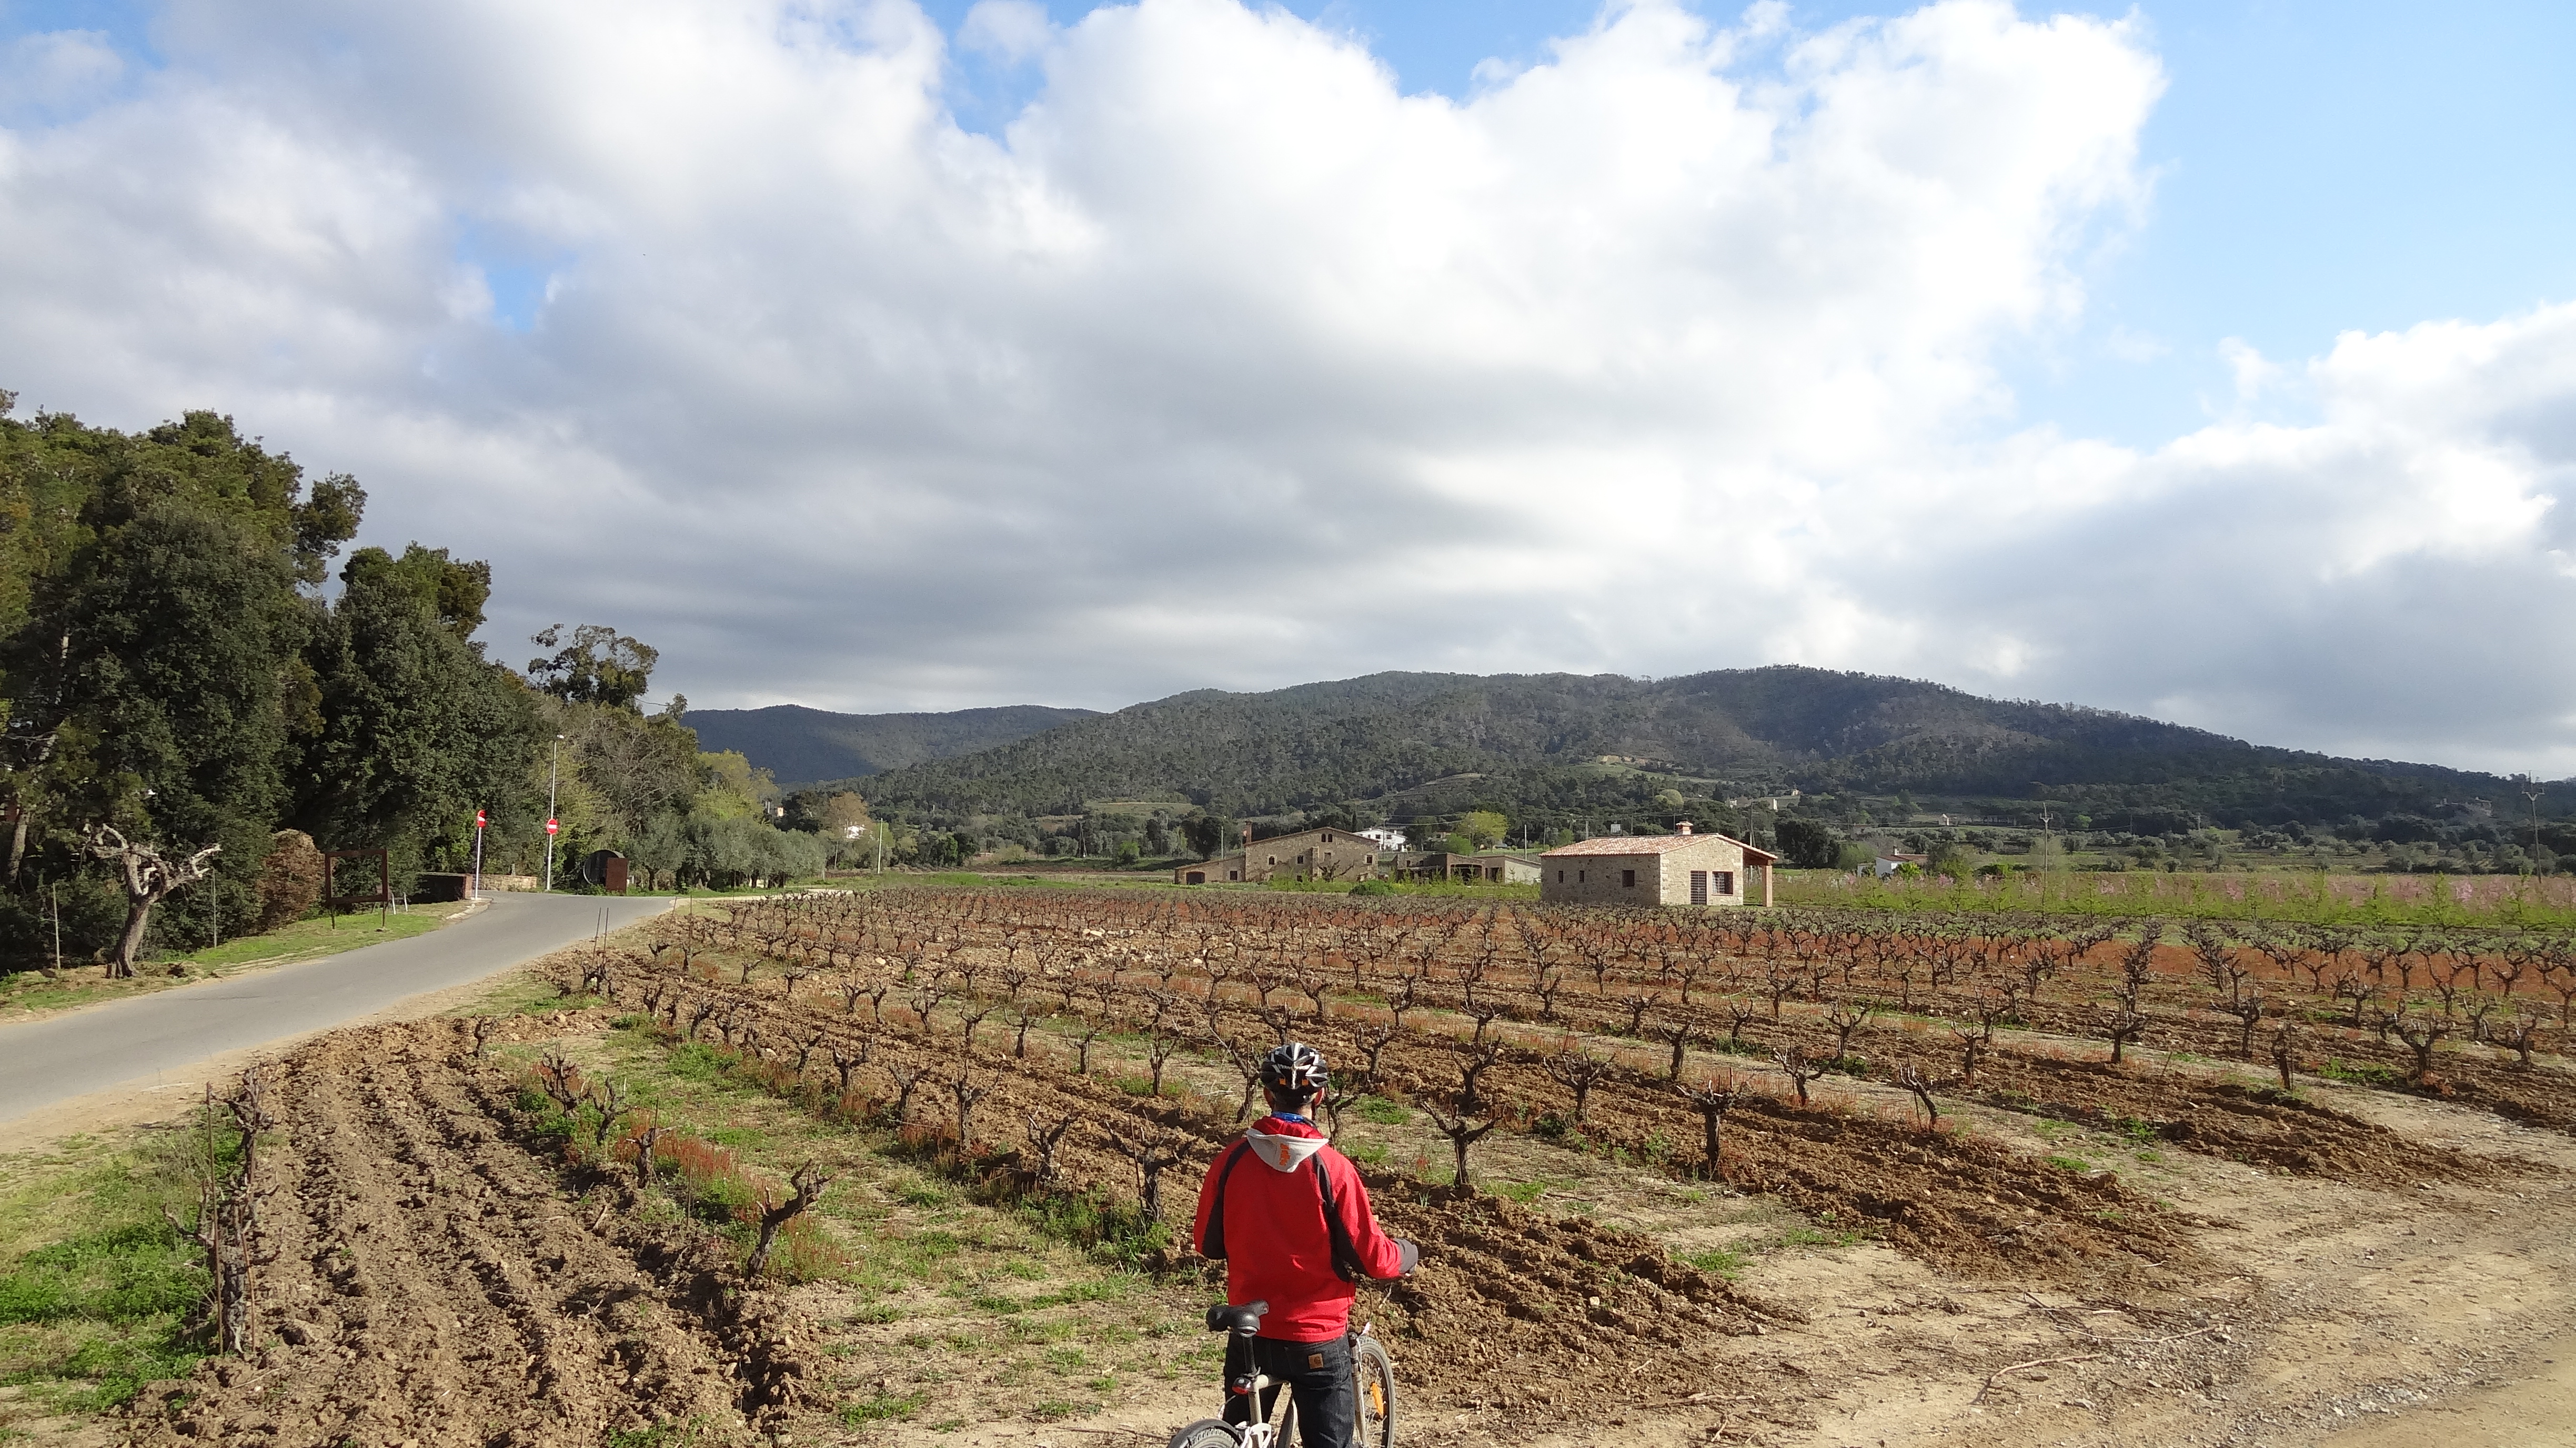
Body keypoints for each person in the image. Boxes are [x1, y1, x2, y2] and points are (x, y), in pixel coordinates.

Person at [1191, 1042, 1418, 1448]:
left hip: (1251, 1331)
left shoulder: (1231, 1161)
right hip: (1316, 1335)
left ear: (1265, 1095)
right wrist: (1406, 1253)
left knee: (1241, 1433)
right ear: (1321, 1096)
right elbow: (1372, 1257)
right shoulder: (1332, 1169)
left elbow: (1207, 1244)